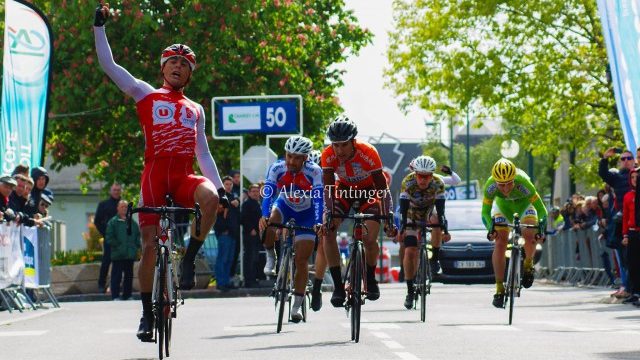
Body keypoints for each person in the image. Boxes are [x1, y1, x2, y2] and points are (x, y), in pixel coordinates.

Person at [93, 3, 228, 342]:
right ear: (163, 67)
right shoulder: (146, 94)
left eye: (185, 64)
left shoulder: (196, 109)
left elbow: (204, 154)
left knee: (211, 198)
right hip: (154, 177)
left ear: (190, 73)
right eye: (173, 61)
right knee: (150, 245)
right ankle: (145, 315)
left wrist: (221, 189)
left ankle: (189, 259)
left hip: (183, 177)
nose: (178, 67)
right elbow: (109, 66)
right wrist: (99, 28)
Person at [321, 115, 397, 308]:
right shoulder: (327, 155)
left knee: (369, 238)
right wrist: (328, 213)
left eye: (344, 145)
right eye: (335, 145)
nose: (339, 150)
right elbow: (329, 189)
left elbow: (382, 189)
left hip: (369, 191)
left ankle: (370, 279)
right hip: (344, 190)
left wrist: (388, 215)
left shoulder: (368, 152)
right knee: (328, 231)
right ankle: (338, 286)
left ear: (353, 141)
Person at [259, 136, 323, 322]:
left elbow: (318, 199)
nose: (291, 161)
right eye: (289, 156)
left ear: (305, 158)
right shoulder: (277, 167)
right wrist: (264, 214)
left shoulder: (314, 171)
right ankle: (271, 255)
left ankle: (296, 306)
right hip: (284, 205)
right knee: (270, 221)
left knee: (302, 260)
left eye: (296, 157)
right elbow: (269, 192)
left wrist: (318, 221)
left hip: (307, 212)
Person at [483, 158, 547, 308]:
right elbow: (485, 212)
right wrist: (490, 228)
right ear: (496, 182)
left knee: (530, 234)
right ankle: (499, 287)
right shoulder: (490, 186)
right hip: (503, 208)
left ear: (514, 179)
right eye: (501, 185)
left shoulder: (523, 182)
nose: (505, 189)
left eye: (509, 184)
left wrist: (542, 226)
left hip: (525, 206)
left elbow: (542, 210)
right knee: (500, 242)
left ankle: (528, 264)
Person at [397, 156, 450, 309]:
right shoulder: (408, 182)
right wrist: (402, 227)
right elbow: (404, 209)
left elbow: (441, 211)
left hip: (428, 211)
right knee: (410, 250)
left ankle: (435, 259)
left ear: (432, 175)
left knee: (437, 221)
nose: (423, 180)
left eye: (427, 176)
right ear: (415, 174)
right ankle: (409, 291)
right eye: (420, 175)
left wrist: (444, 228)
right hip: (411, 213)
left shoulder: (438, 184)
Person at [105, 200, 141, 301]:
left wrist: (135, 247)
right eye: (122, 207)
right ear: (118, 208)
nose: (124, 209)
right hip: (118, 255)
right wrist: (118, 246)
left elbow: (137, 236)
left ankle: (127, 295)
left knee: (129, 276)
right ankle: (115, 296)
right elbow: (109, 237)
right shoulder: (113, 222)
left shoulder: (133, 223)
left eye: (126, 207)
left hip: (130, 255)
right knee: (116, 276)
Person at [94, 182, 122, 294]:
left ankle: (117, 285)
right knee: (106, 261)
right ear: (111, 191)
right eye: (114, 190)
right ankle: (101, 285)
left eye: (118, 190)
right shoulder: (104, 204)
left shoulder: (123, 205)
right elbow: (97, 221)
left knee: (120, 263)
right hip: (109, 239)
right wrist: (105, 233)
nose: (116, 192)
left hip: (122, 239)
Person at [215, 177, 239, 291]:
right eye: (226, 184)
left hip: (233, 233)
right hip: (224, 233)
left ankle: (226, 281)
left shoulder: (233, 197)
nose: (229, 186)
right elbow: (218, 211)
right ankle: (221, 282)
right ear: (222, 185)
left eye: (230, 184)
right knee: (223, 259)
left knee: (229, 259)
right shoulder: (220, 197)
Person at [241, 184, 262, 288]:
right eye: (253, 191)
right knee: (250, 257)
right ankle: (249, 281)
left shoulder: (258, 203)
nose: (255, 193)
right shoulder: (247, 204)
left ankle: (254, 278)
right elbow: (244, 218)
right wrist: (251, 229)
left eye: (257, 191)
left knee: (255, 257)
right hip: (250, 234)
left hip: (258, 234)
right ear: (249, 193)